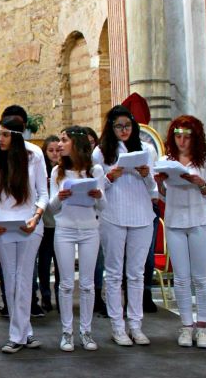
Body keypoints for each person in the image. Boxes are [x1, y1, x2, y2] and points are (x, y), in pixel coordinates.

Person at [93, 105, 157, 346]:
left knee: (137, 273)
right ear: (111, 127)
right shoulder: (101, 152)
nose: (123, 131)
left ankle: (136, 325)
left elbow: (153, 189)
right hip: (113, 214)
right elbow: (97, 189)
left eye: (127, 126)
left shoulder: (147, 149)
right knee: (114, 273)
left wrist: (145, 174)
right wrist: (111, 177)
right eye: (118, 126)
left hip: (142, 214)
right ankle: (117, 326)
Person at [0, 116, 48, 353]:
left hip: (30, 224)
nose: (0, 139)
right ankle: (23, 333)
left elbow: (43, 193)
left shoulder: (34, 155)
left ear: (18, 136)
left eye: (5, 134)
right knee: (10, 278)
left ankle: (17, 335)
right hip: (2, 225)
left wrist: (36, 217)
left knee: (23, 277)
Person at [154, 116, 206, 349]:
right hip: (175, 221)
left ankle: (203, 328)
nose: (181, 141)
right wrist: (161, 184)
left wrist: (200, 183)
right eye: (178, 136)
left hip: (200, 219)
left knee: (200, 277)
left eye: (186, 136)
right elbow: (163, 197)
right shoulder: (166, 160)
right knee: (180, 278)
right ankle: (186, 325)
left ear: (195, 137)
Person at [48, 127, 106, 351]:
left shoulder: (95, 170)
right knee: (65, 284)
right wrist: (59, 197)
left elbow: (103, 206)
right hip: (65, 228)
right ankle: (67, 332)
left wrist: (98, 195)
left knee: (88, 284)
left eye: (64, 140)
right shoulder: (57, 172)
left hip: (90, 228)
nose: (59, 145)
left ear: (76, 143)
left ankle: (87, 331)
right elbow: (52, 209)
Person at [84, 126, 108, 317]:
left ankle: (98, 294)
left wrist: (99, 194)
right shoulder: (64, 168)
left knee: (99, 260)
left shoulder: (98, 166)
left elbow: (103, 202)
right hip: (72, 221)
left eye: (92, 143)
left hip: (98, 219)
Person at [38, 135, 61, 312]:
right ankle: (45, 296)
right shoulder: (42, 170)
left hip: (61, 222)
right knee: (44, 263)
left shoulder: (66, 170)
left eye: (57, 150)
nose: (54, 154)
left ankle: (61, 296)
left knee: (61, 263)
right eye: (50, 150)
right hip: (46, 223)